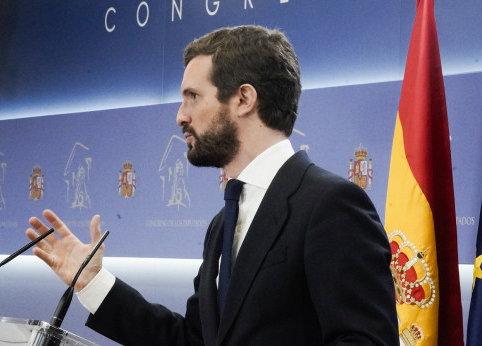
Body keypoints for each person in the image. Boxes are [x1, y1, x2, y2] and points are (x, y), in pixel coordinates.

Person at [26, 25, 399, 345]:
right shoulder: (223, 223)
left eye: (193, 96)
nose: (179, 116)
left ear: (243, 99)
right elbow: (194, 339)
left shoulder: (331, 204)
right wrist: (94, 283)